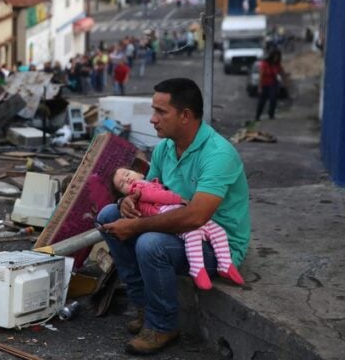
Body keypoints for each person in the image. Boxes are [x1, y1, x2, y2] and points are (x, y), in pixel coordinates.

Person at [96, 78, 250, 355]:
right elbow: (150, 190)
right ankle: (145, 306)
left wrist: (136, 225)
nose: (153, 120)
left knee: (150, 243)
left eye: (160, 112)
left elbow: (196, 217)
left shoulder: (218, 154)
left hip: (215, 243)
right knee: (109, 214)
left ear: (186, 116)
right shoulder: (166, 147)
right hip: (178, 231)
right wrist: (129, 200)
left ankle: (163, 325)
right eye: (153, 111)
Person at [110, 168, 245, 290]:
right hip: (166, 213)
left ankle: (225, 264)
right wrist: (179, 199)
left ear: (140, 172)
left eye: (127, 174)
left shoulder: (148, 181)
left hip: (178, 212)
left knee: (218, 231)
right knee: (192, 234)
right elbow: (157, 196)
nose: (127, 179)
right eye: (122, 184)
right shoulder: (139, 187)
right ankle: (197, 269)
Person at [256, 49, 287, 121]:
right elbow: (261, 75)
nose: (276, 58)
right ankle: (257, 116)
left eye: (278, 57)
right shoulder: (265, 63)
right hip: (264, 84)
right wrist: (260, 87)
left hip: (273, 84)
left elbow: (282, 73)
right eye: (275, 57)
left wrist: (285, 82)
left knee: (273, 99)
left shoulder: (277, 65)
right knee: (262, 102)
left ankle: (271, 114)